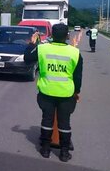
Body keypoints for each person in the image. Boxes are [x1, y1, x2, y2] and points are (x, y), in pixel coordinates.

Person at [24, 23, 83, 162]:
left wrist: (32, 44)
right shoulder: (75, 52)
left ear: (51, 35)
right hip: (66, 94)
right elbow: (78, 77)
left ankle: (45, 149)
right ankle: (64, 153)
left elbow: (27, 58)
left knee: (47, 120)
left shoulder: (42, 48)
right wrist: (77, 92)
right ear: (67, 36)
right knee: (64, 123)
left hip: (46, 92)